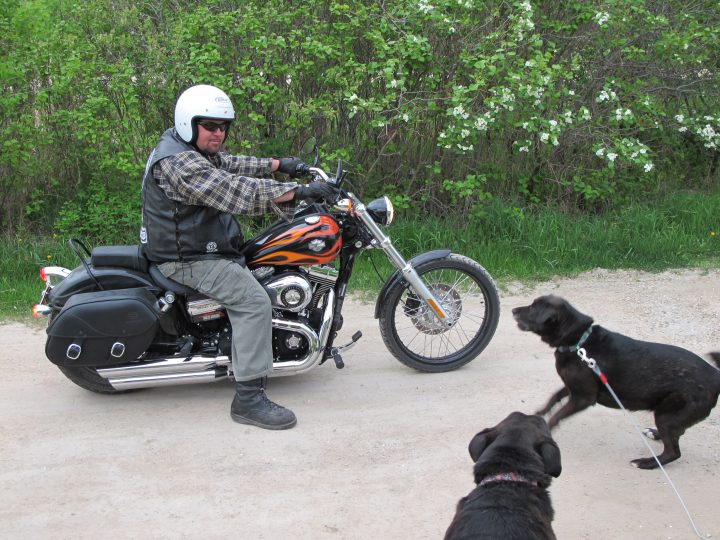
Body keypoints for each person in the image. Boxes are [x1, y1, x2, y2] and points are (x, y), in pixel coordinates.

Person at [140, 84, 336, 430]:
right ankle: (248, 398)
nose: (219, 134)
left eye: (223, 126)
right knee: (254, 301)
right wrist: (299, 192)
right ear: (189, 123)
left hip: (198, 247)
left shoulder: (188, 147)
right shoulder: (178, 163)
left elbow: (233, 164)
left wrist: (282, 164)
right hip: (187, 258)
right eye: (211, 126)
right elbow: (233, 190)